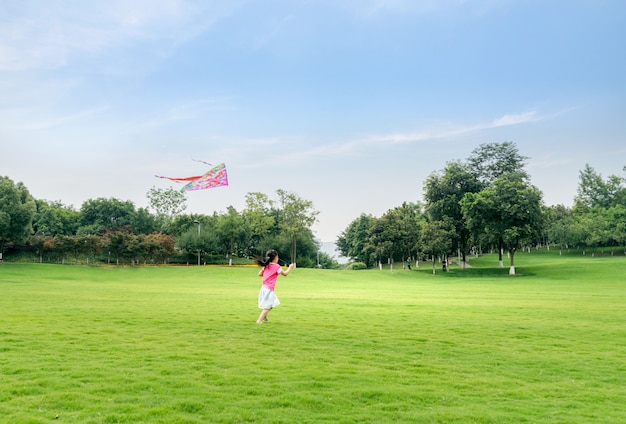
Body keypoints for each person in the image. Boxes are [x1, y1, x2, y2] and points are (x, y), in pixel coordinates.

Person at [254, 249, 294, 324]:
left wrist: (268, 274)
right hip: (269, 289)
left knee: (272, 303)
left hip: (264, 288)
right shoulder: (276, 266)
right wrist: (290, 268)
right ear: (275, 258)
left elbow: (259, 274)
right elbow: (285, 274)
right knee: (269, 305)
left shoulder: (266, 265)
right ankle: (259, 320)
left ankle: (264, 316)